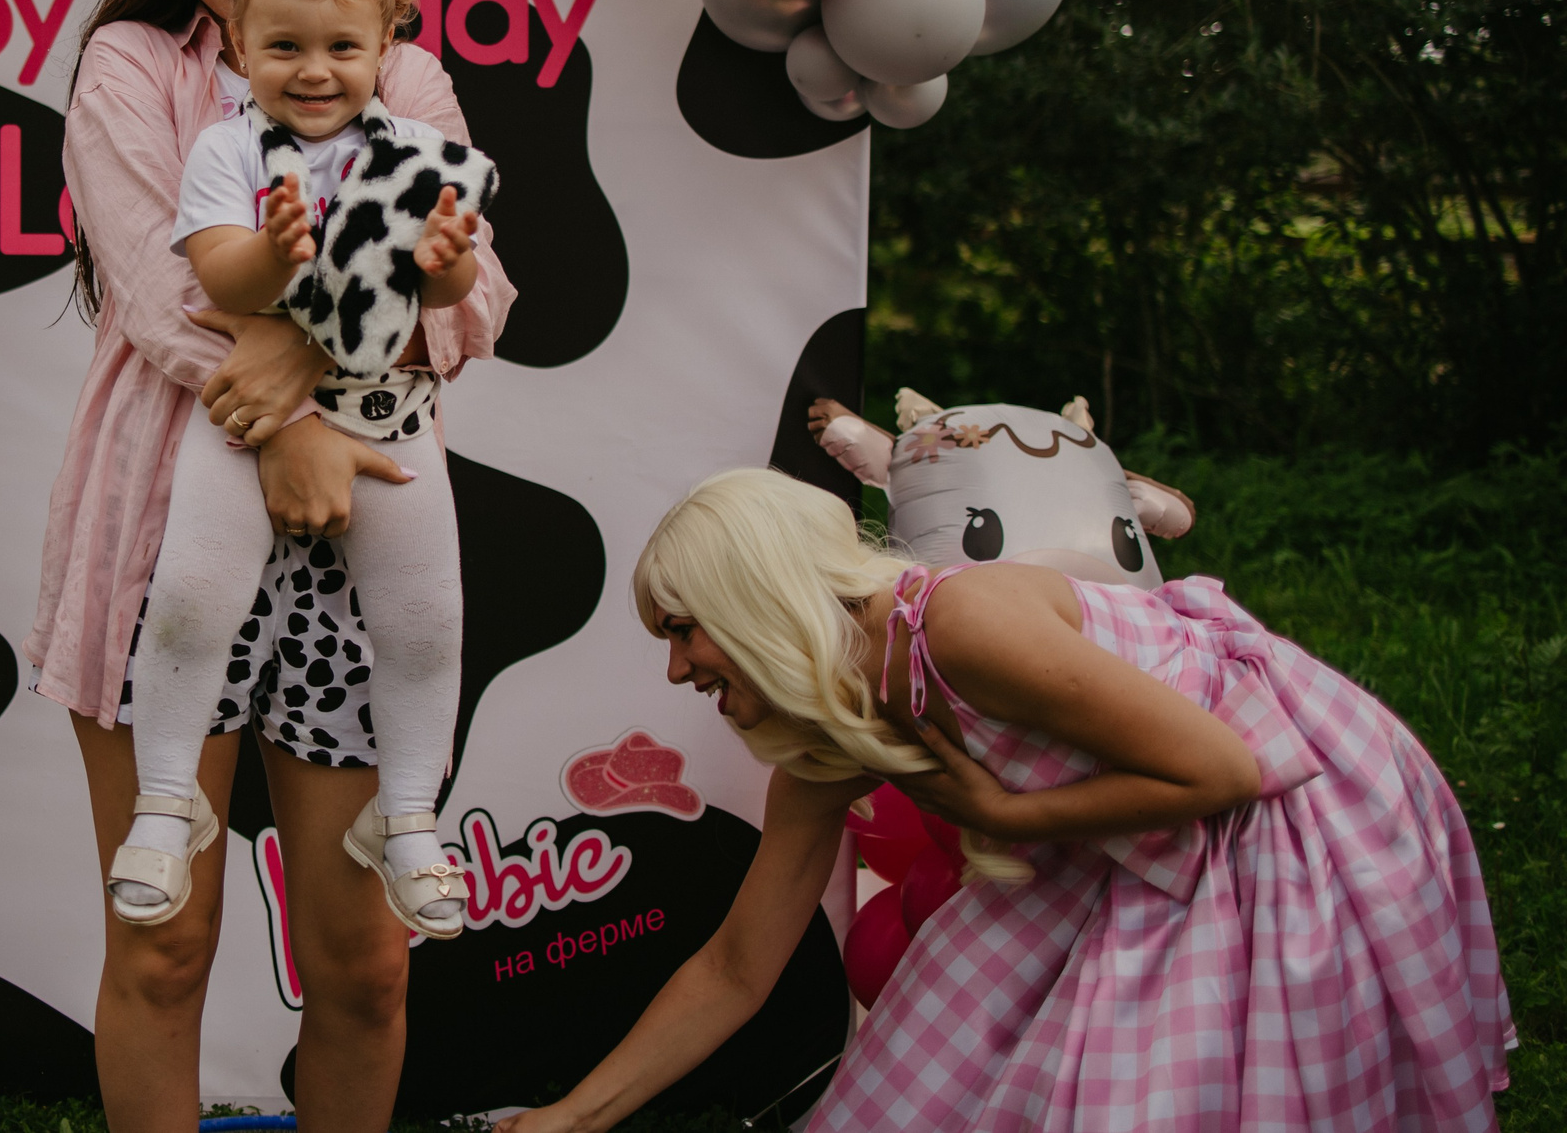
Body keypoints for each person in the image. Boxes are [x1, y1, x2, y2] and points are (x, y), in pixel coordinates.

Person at [500, 467, 1510, 1133]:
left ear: (752, 600)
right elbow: (734, 966)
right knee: (920, 1073)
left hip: (1269, 819)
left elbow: (1223, 773)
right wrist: (570, 1119)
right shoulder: (829, 738)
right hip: (1115, 833)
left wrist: (1010, 819)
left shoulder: (961, 628)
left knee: (1160, 1096)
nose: (677, 670)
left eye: (684, 629)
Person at [27, 0, 515, 1133]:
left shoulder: (396, 66)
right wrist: (291, 417)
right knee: (165, 940)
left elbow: (476, 297)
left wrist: (304, 370)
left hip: (368, 520)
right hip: (162, 520)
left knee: (361, 961)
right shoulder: (131, 63)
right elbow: (150, 290)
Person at [108, 0, 498, 938]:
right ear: (239, 47)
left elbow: (449, 291)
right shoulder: (226, 149)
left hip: (392, 422)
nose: (313, 71)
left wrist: (448, 253)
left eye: (341, 48)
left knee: (425, 629)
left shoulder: (418, 150)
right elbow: (218, 276)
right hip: (254, 420)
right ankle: (164, 803)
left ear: (385, 51)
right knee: (192, 600)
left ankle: (407, 817)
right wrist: (275, 255)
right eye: (284, 47)